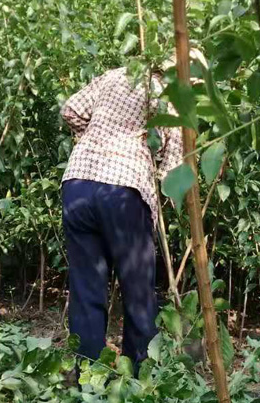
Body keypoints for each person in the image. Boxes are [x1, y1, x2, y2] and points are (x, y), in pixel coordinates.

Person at [61, 65, 184, 373]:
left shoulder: (119, 73)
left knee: (86, 286)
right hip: (123, 190)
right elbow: (173, 172)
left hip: (78, 181)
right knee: (137, 288)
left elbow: (71, 109)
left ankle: (87, 377)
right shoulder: (171, 96)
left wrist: (89, 138)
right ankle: (140, 374)